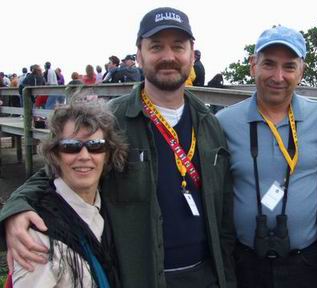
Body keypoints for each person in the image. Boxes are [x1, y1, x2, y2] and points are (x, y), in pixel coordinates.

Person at [0, 7, 236, 288]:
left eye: (178, 46)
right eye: (156, 47)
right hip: (140, 277)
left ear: (191, 52)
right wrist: (13, 211)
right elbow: (55, 170)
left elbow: (223, 212)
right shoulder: (112, 120)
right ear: (139, 54)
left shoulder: (211, 124)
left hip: (207, 276)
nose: (168, 56)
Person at [217, 25, 317, 288]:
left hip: (305, 264)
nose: (278, 76)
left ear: (301, 71)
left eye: (289, 66)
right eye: (269, 64)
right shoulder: (224, 123)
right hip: (245, 263)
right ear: (253, 65)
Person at [10, 102, 127, 287]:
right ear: (55, 155)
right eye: (71, 146)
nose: (84, 155)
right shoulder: (38, 235)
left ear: (107, 155)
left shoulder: (107, 209)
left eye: (95, 146)